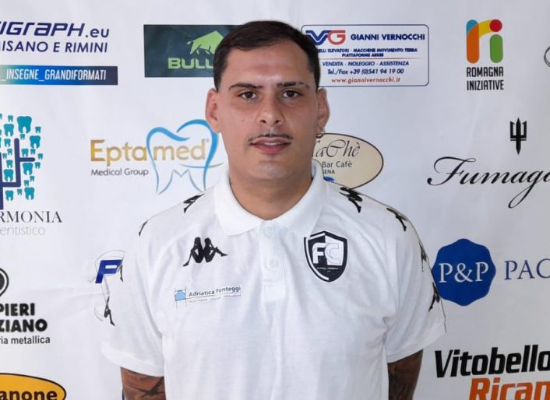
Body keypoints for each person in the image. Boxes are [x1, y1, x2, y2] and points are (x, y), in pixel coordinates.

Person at [103, 20, 445, 400]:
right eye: (248, 94)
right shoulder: (157, 243)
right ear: (214, 110)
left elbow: (399, 373)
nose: (270, 114)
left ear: (320, 110)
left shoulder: (388, 236)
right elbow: (142, 384)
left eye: (291, 93)